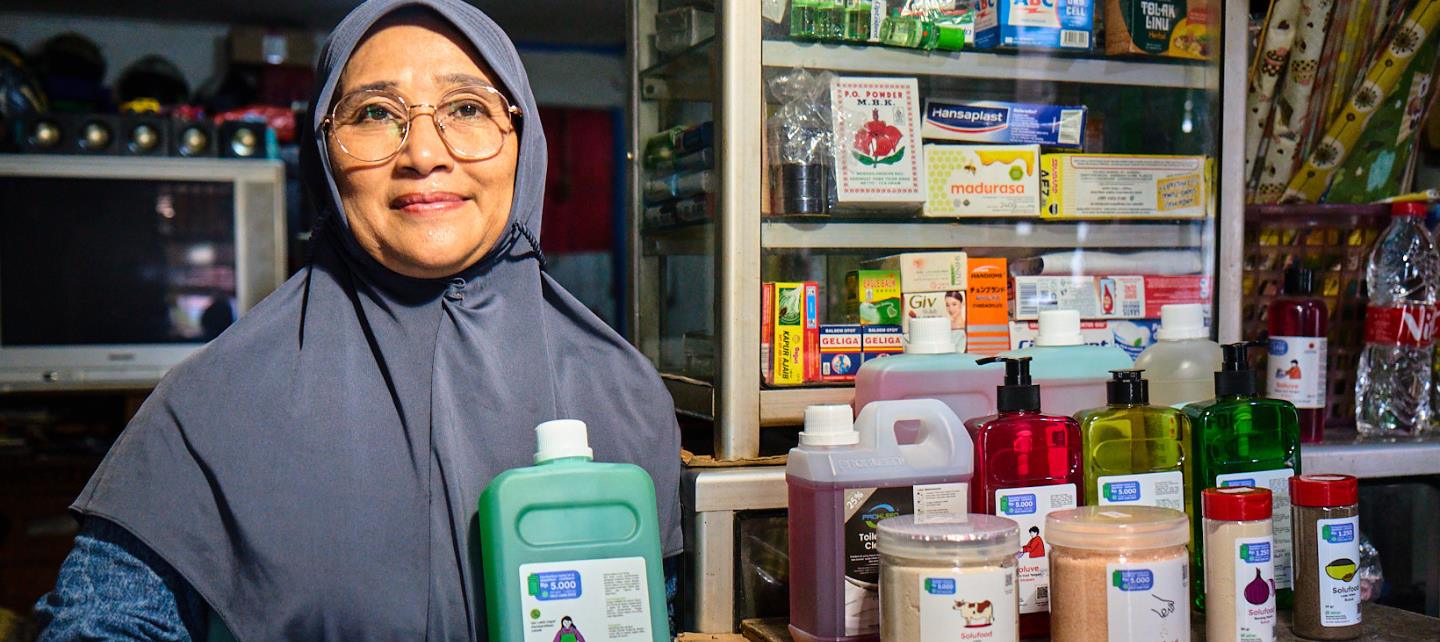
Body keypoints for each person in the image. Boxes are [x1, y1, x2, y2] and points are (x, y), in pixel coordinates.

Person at [32, 1, 681, 639]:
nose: (424, 153)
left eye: (466, 108)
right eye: (375, 113)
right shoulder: (209, 404)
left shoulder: (622, 392)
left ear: (523, 141)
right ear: (323, 155)